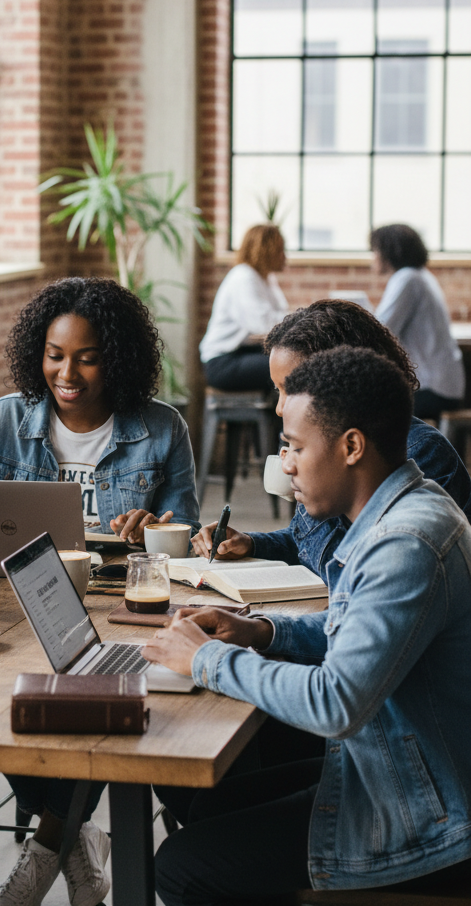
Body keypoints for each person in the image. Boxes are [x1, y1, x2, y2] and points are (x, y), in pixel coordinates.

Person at [144, 347, 471, 904]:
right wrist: (261, 632)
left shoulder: (405, 544)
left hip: (433, 815)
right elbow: (358, 631)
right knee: (204, 801)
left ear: (350, 447)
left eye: (294, 447)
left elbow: (334, 703)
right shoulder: (404, 511)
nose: (285, 465)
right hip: (402, 769)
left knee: (180, 866)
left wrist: (206, 659)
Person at [0, 276, 200, 906]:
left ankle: (46, 849)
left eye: (87, 356)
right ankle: (76, 844)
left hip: (120, 610)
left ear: (117, 357)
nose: (66, 372)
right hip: (23, 607)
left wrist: (159, 531)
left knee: (87, 692)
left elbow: (186, 542)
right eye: (53, 353)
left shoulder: (161, 429)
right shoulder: (4, 420)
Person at [192, 299, 471, 586]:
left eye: (292, 390)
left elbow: (377, 579)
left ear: (343, 377)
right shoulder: (323, 447)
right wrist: (251, 544)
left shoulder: (417, 455)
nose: (280, 408)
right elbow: (308, 541)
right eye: (278, 391)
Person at [371, 222, 464, 421]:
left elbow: (379, 331)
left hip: (432, 388)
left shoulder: (407, 279)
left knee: (365, 407)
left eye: (375, 251)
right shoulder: (421, 276)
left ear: (389, 252)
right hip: (445, 385)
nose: (373, 258)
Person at [199, 223, 289, 391]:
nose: (285, 256)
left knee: (292, 360)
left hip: (243, 352)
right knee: (290, 366)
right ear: (265, 250)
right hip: (223, 362)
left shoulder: (264, 278)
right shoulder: (244, 277)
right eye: (280, 250)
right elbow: (264, 324)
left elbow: (280, 316)